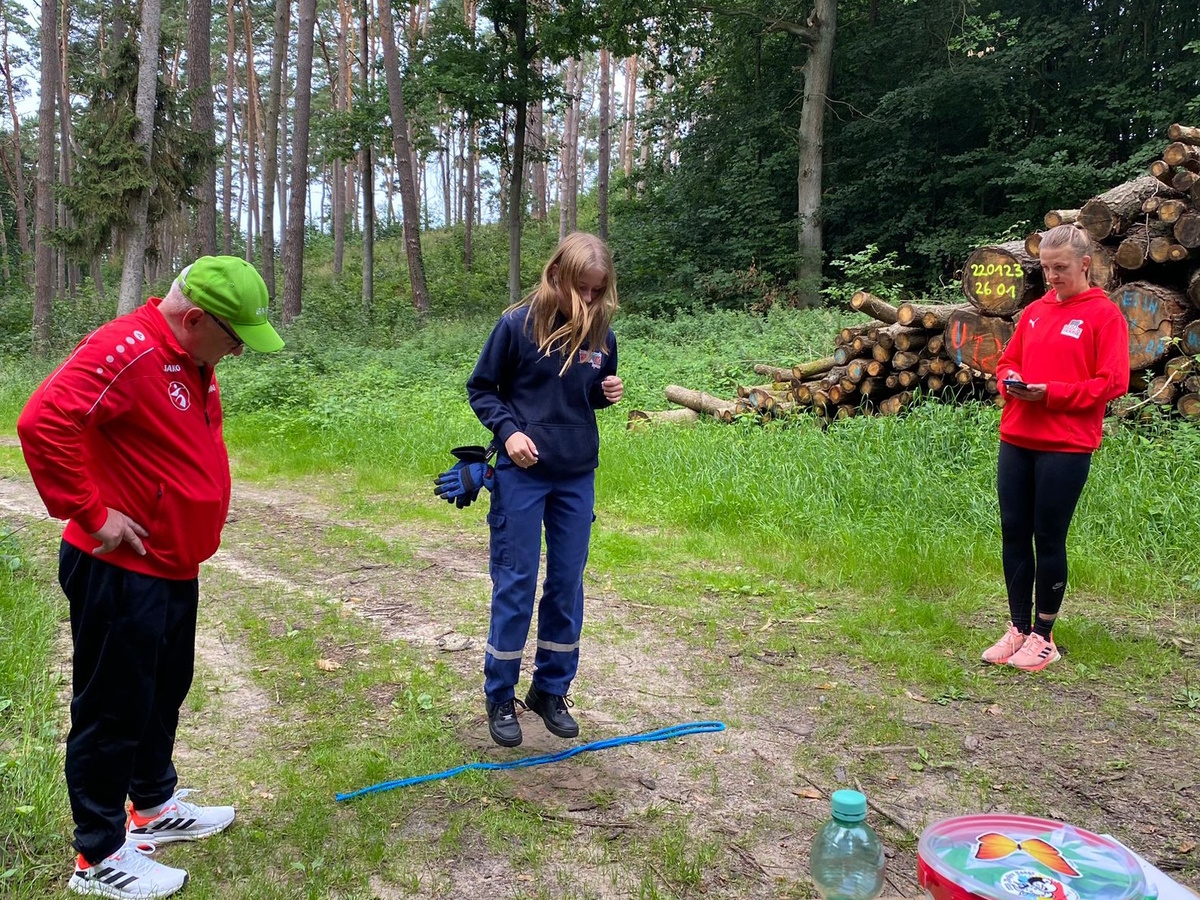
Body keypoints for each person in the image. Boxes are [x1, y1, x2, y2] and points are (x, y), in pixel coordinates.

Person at [17, 256, 284, 898]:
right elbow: (41, 421)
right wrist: (91, 511)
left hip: (170, 562)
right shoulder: (125, 349)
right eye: (234, 338)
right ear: (194, 318)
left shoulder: (192, 357)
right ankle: (99, 855)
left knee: (162, 688)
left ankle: (154, 807)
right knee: (112, 707)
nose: (238, 353)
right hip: (119, 566)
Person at [466, 232, 624, 747]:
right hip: (521, 475)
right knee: (516, 582)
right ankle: (500, 695)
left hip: (577, 474)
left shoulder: (602, 334)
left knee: (566, 583)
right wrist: (508, 433)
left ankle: (550, 691)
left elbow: (583, 400)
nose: (590, 300)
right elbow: (482, 390)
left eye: (598, 290)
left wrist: (606, 394)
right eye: (583, 288)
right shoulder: (516, 325)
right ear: (557, 275)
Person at [982, 223, 1129, 672]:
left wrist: (1052, 393)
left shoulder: (1104, 315)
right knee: (1013, 531)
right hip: (1017, 437)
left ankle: (1044, 636)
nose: (1051, 276)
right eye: (1046, 268)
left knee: (1047, 536)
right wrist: (1010, 382)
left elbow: (1113, 382)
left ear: (1085, 264)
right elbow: (1008, 361)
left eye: (1060, 268)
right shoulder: (1034, 312)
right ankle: (1017, 628)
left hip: (1065, 444)